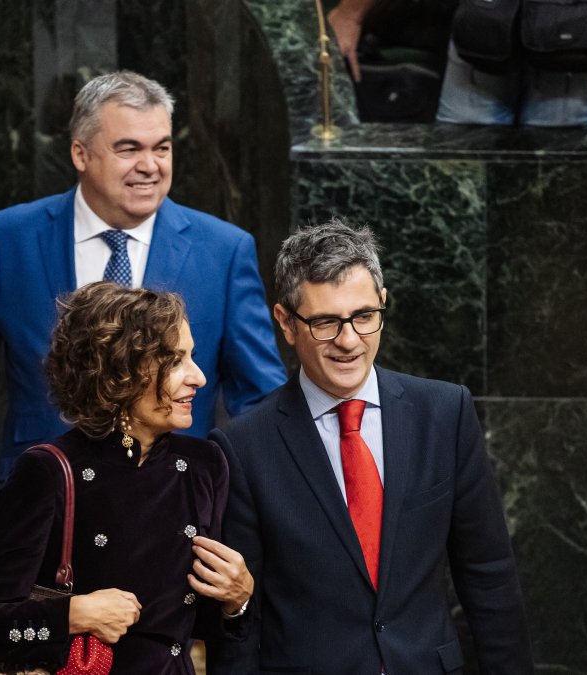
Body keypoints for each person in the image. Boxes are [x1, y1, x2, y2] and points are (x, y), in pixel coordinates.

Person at [207, 221, 532, 673]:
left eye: (364, 316)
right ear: (285, 322)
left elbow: (489, 575)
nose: (348, 340)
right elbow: (241, 612)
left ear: (383, 303)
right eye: (325, 322)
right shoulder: (243, 448)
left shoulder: (445, 412)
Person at [0, 70, 286, 483]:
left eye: (161, 148)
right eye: (129, 149)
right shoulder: (12, 239)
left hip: (174, 501)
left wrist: (240, 505)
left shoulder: (223, 250)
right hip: (42, 497)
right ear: (80, 154)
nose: (150, 166)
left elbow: (261, 401)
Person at [0, 282, 254, 673]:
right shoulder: (50, 470)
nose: (199, 377)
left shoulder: (205, 464)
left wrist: (236, 599)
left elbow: (190, 622)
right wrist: (73, 614)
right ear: (119, 372)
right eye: (175, 361)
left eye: (192, 356)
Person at [328, 0, 587, 126]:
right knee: (555, 167)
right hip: (495, 20)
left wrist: (351, 12)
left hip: (580, 21)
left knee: (555, 164)